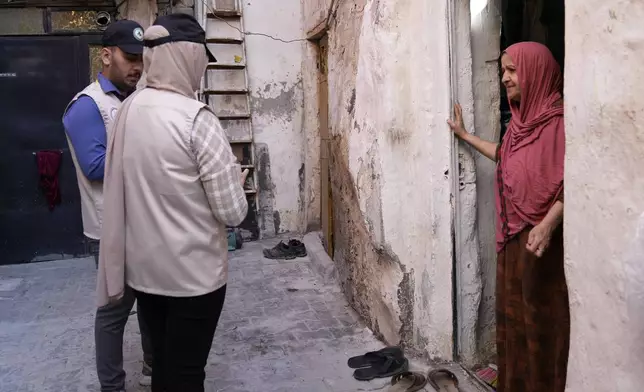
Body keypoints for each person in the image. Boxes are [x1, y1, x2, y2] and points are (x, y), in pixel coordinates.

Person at [97, 13, 249, 392]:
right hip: (193, 279)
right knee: (186, 373)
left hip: (145, 274)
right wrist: (236, 181)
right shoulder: (196, 119)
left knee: (163, 363)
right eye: (200, 61)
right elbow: (232, 212)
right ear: (187, 58)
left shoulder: (128, 110)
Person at [447, 42, 569, 392]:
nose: (505, 78)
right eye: (503, 70)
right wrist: (465, 135)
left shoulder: (560, 126)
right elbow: (503, 156)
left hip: (543, 250)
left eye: (512, 70)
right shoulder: (519, 126)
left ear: (536, 72)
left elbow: (575, 182)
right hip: (513, 241)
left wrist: (547, 224)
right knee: (514, 325)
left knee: (542, 326)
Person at [62, 19, 153, 391]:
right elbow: (96, 167)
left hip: (144, 224)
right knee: (114, 311)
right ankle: (113, 386)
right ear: (106, 55)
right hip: (111, 230)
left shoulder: (134, 99)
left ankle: (154, 365)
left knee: (152, 301)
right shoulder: (86, 106)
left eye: (141, 60)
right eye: (130, 58)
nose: (137, 67)